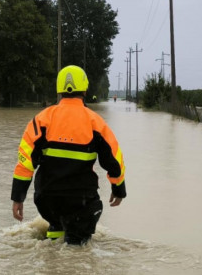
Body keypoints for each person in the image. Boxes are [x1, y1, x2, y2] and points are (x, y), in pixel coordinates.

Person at [10, 65, 127, 245]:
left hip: (47, 198)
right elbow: (114, 160)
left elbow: (25, 162)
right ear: (85, 89)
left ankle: (52, 252)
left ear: (59, 89)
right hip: (80, 199)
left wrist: (18, 197)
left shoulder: (41, 120)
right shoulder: (95, 122)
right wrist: (118, 189)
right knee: (77, 247)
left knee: (56, 227)